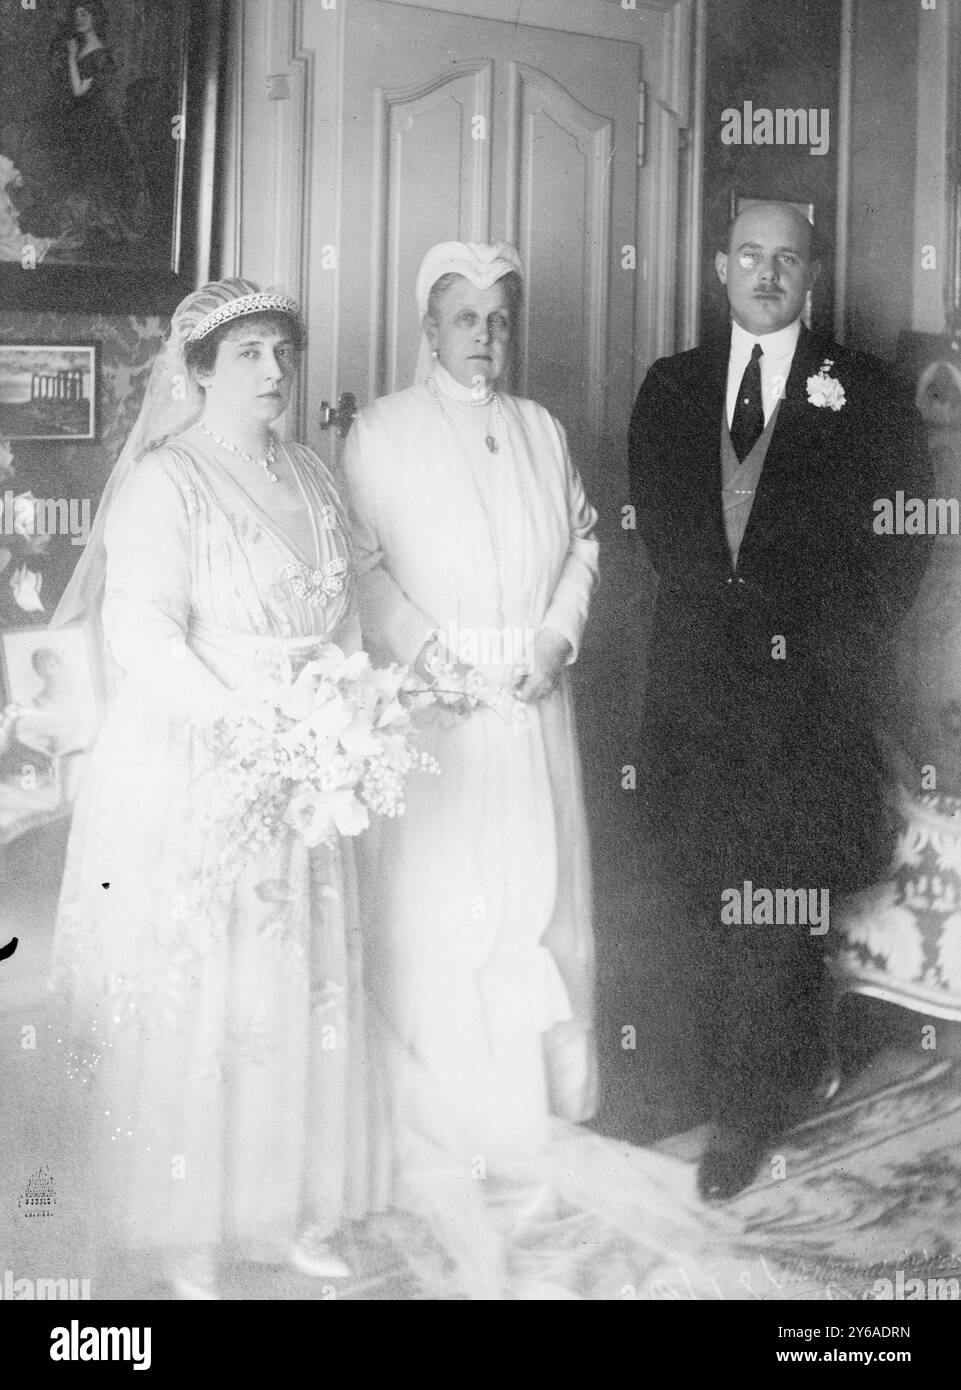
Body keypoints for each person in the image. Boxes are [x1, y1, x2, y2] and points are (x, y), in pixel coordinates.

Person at [48, 279, 377, 1298]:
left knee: (292, 987)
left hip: (305, 771)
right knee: (203, 994)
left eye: (284, 351)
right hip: (197, 761)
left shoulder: (316, 478)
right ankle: (183, 1225)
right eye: (249, 355)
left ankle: (281, 1211)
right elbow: (138, 632)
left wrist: (347, 717)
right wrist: (253, 725)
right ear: (196, 373)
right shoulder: (164, 481)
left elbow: (345, 619)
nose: (276, 371)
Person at [628, 202, 934, 1202]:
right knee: (697, 896)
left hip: (806, 711)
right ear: (721, 267)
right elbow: (670, 542)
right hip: (697, 706)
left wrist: (819, 650)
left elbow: (900, 550)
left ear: (810, 274)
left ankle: (746, 1119)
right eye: (749, 255)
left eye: (786, 259)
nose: (766, 273)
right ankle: (688, 1088)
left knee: (775, 913)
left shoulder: (865, 392)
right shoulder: (671, 387)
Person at [342, 241, 599, 1295]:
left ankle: (527, 1122)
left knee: (538, 901)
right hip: (436, 713)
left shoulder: (540, 429)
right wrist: (421, 650)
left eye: (499, 318)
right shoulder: (381, 432)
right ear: (429, 328)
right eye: (464, 319)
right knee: (444, 912)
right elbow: (356, 559)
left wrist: (554, 636)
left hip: (531, 706)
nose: (484, 337)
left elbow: (584, 541)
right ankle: (446, 1130)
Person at [8, 2, 150, 251]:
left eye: (84, 14)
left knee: (91, 176)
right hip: (78, 119)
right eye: (76, 15)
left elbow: (79, 90)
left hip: (94, 122)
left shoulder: (100, 52)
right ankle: (69, 226)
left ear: (95, 18)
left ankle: (83, 229)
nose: (79, 19)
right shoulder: (83, 47)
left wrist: (72, 56)